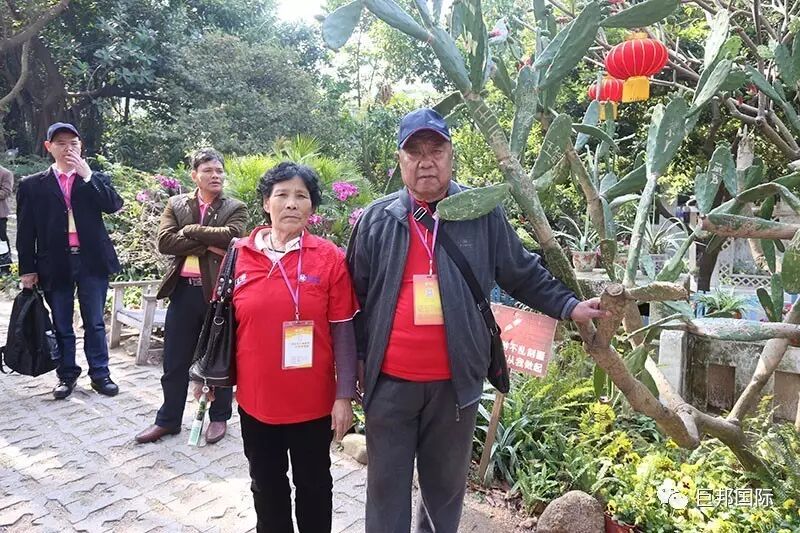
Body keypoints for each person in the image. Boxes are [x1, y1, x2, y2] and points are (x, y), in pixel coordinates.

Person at [346, 108, 610, 533]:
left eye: (436, 150)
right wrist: (355, 364)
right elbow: (353, 300)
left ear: (451, 155)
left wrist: (569, 305)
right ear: (400, 160)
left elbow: (521, 272)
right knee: (385, 491)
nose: (426, 162)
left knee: (444, 492)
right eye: (415, 152)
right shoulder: (377, 219)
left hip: (456, 384)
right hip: (390, 383)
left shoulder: (480, 212)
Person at [199, 161, 358, 532]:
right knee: (266, 486)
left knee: (314, 486)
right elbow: (220, 323)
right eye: (282, 194)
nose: (291, 203)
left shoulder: (329, 258)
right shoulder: (239, 254)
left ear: (311, 207)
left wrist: (344, 396)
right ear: (265, 203)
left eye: (301, 196)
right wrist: (207, 378)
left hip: (312, 403)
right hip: (256, 401)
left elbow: (343, 330)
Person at [136, 148, 247, 445]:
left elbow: (233, 238)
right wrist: (208, 244)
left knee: (219, 357)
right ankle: (168, 420)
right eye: (208, 170)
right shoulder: (176, 204)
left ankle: (219, 418)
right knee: (175, 360)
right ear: (194, 175)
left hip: (219, 295)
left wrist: (191, 231)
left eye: (219, 171)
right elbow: (165, 242)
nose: (215, 175)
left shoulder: (235, 207)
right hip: (183, 292)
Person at [16, 122, 124, 399]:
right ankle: (66, 375)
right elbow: (26, 232)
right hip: (54, 263)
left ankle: (100, 374)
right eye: (61, 143)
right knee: (62, 324)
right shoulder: (32, 185)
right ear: (48, 147)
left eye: (73, 143)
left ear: (81, 146)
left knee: (95, 322)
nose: (68, 149)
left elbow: (113, 205)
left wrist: (88, 175)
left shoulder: (94, 179)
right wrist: (27, 270)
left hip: (92, 261)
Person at [0, 165, 13, 271]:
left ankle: (6, 264)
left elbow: (6, 192)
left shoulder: (6, 173)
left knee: (2, 239)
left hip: (0, 214)